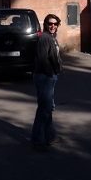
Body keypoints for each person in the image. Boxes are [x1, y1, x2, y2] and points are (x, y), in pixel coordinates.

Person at [31, 13, 63, 151]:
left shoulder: (51, 38)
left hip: (49, 76)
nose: (53, 26)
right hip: (45, 77)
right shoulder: (44, 38)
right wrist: (51, 73)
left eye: (55, 24)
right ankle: (37, 140)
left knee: (47, 107)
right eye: (50, 24)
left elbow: (54, 57)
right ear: (45, 24)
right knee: (44, 109)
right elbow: (43, 59)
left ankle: (50, 136)